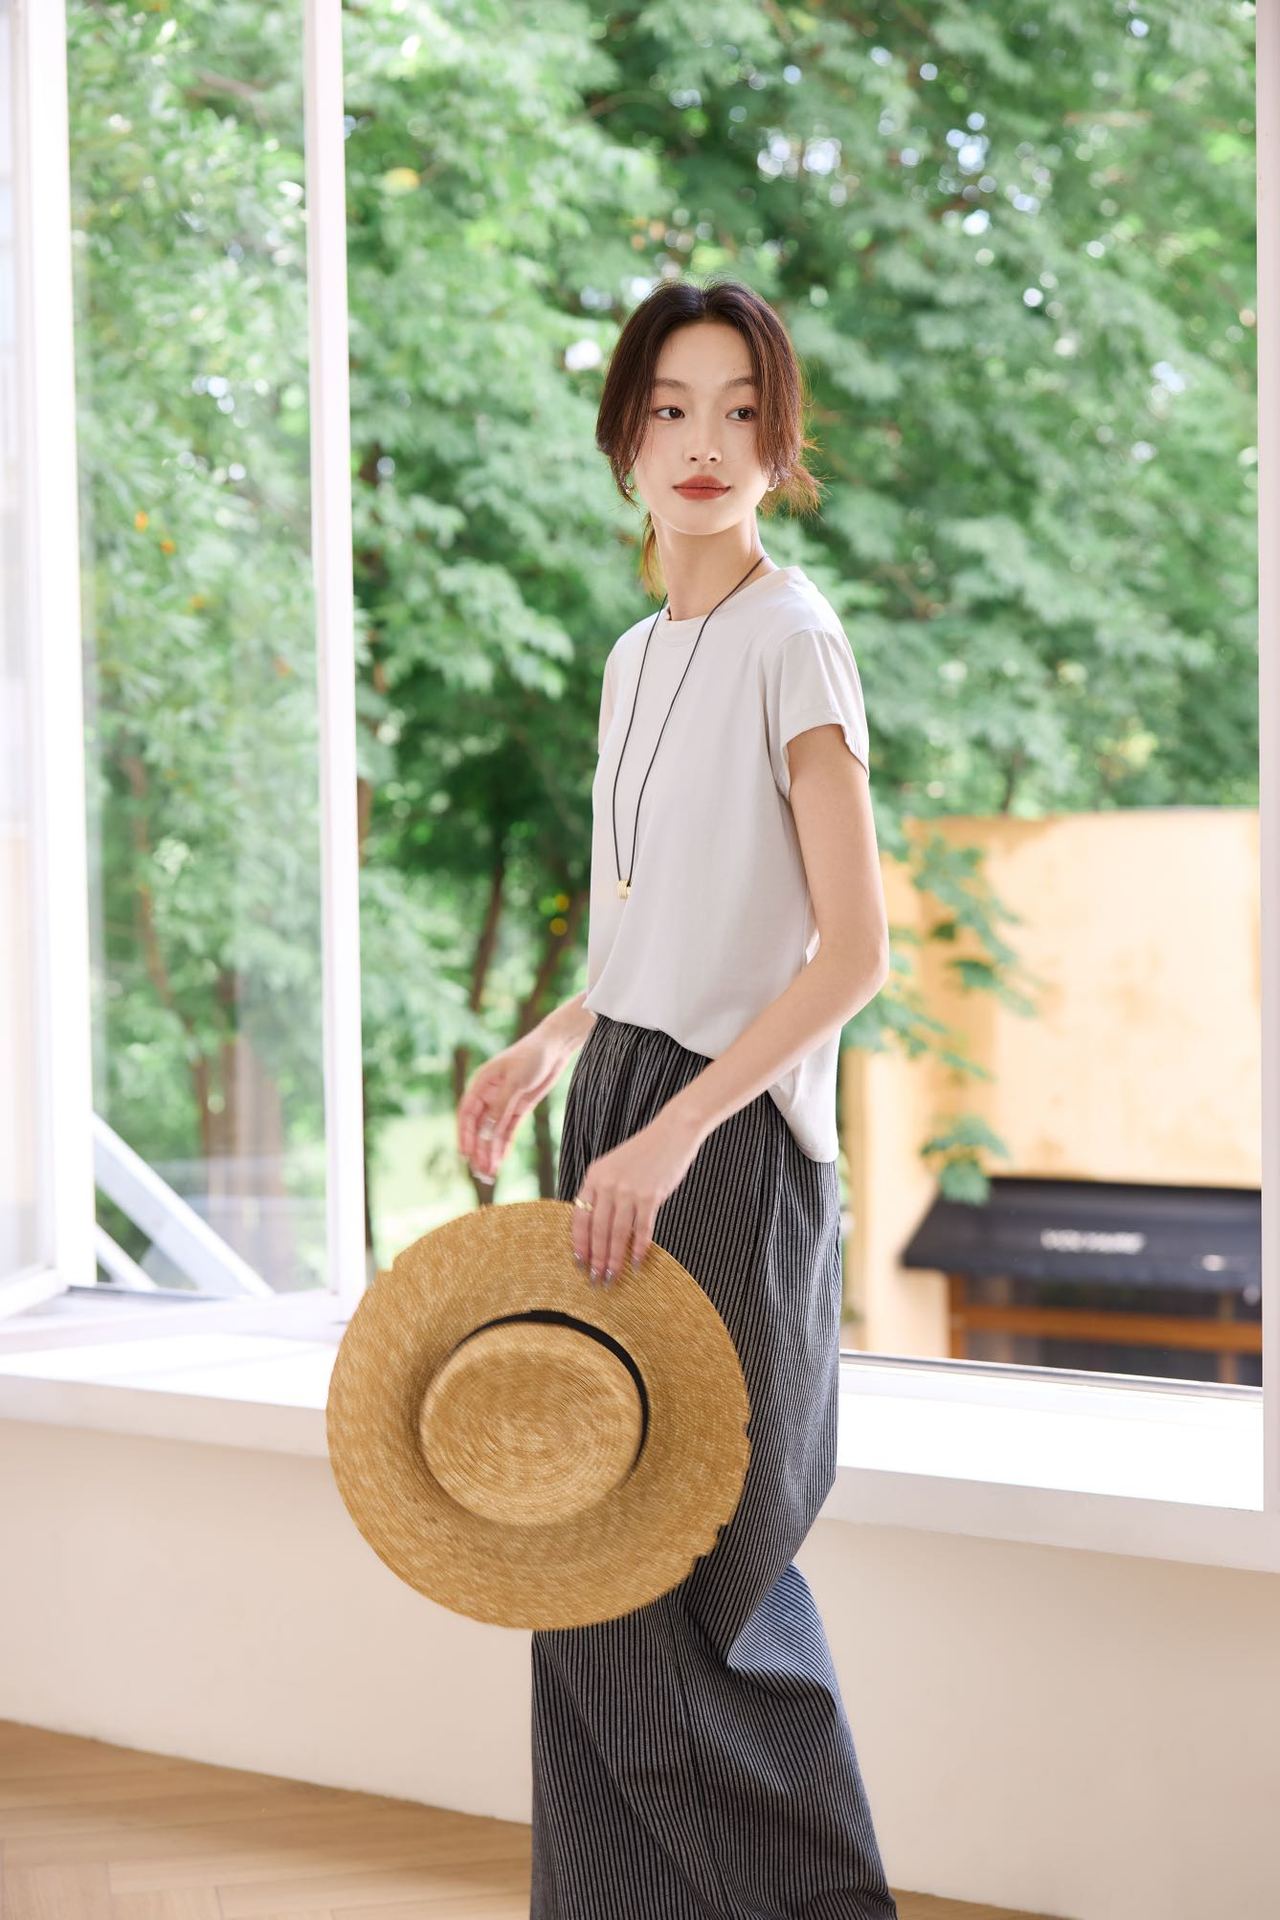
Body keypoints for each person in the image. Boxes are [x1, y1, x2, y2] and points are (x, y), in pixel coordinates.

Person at [457, 276, 897, 1919]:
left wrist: (676, 1124)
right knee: (582, 1552)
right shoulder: (636, 657)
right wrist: (557, 1034)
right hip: (624, 1107)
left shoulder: (796, 639)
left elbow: (852, 953)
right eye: (670, 408)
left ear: (779, 444)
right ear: (625, 437)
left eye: (740, 410)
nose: (704, 441)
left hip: (725, 1140)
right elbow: (667, 928)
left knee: (702, 1580)